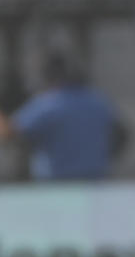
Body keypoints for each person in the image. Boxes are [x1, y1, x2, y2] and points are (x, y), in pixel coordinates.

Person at [0, 52, 126, 180]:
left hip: (58, 184)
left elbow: (8, 133)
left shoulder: (49, 104)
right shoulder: (98, 100)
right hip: (96, 180)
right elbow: (122, 135)